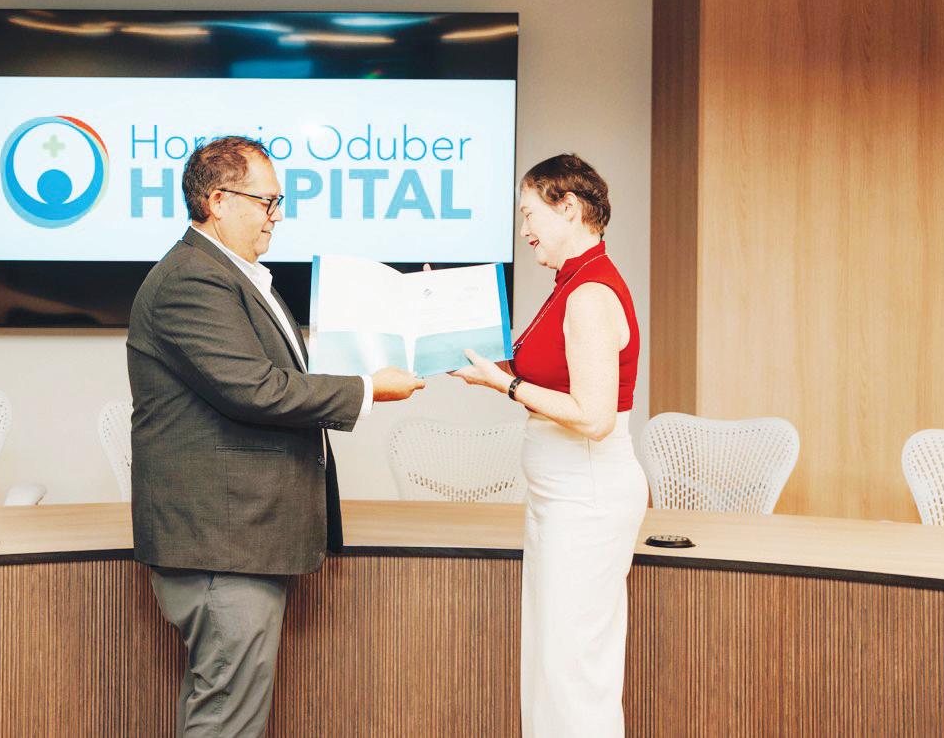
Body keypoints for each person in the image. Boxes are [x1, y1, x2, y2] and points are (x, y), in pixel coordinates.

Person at [127, 135, 424, 736]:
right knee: (227, 720)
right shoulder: (191, 281)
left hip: (239, 540)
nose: (277, 216)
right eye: (267, 202)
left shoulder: (230, 275)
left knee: (231, 712)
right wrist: (368, 389)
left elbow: (283, 377)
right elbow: (256, 390)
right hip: (221, 545)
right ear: (218, 200)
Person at [450, 153, 646, 737]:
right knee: (552, 664)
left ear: (570, 208)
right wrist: (460, 334)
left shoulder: (589, 295)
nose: (524, 229)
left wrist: (504, 385)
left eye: (529, 213)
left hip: (586, 496)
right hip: (563, 497)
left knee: (572, 672)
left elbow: (594, 418)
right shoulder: (570, 284)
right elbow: (542, 371)